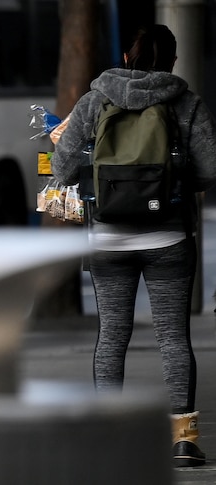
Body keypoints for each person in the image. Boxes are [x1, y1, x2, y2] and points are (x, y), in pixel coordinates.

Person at [51, 24, 216, 468]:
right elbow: (210, 169)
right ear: (173, 62)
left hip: (108, 238)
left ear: (126, 57)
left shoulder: (94, 99)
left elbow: (63, 169)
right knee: (172, 337)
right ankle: (183, 440)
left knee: (112, 337)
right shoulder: (186, 101)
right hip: (168, 237)